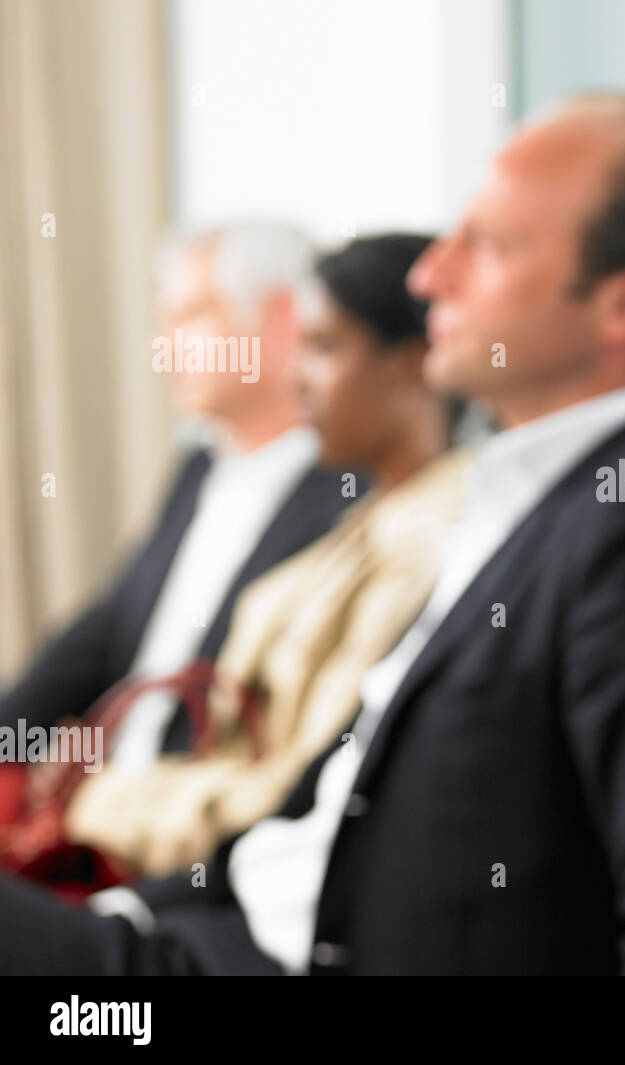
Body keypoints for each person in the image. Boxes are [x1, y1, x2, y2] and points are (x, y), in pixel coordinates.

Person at [0, 94, 625, 975]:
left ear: (624, 305)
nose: (431, 277)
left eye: (490, 246)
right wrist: (128, 913)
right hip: (218, 937)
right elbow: (320, 818)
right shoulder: (533, 504)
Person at [58, 234, 472, 879]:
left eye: (324, 348)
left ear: (411, 362)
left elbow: (303, 783)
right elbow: (104, 627)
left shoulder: (403, 530)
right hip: (154, 826)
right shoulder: (355, 519)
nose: (298, 376)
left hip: (200, 859)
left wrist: (107, 804)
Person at [0, 223, 359, 767]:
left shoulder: (352, 497)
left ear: (283, 318)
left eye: (191, 316)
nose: (163, 348)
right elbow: (108, 628)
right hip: (103, 812)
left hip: (199, 824)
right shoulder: (197, 472)